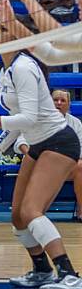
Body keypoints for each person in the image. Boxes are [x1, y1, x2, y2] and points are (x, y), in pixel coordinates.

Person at [0, 0, 82, 289]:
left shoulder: (25, 67)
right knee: (17, 215)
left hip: (59, 141)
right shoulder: (7, 71)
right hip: (38, 143)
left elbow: (27, 118)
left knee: (31, 210)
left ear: (16, 36)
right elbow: (19, 124)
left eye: (1, 28)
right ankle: (41, 269)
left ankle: (69, 274)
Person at [51, 90, 82, 223]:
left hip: (68, 166)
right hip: (42, 165)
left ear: (69, 105)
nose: (59, 103)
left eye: (63, 100)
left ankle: (81, 208)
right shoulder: (38, 119)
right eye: (55, 100)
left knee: (80, 166)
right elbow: (21, 142)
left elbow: (81, 149)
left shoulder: (76, 123)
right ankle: (32, 211)